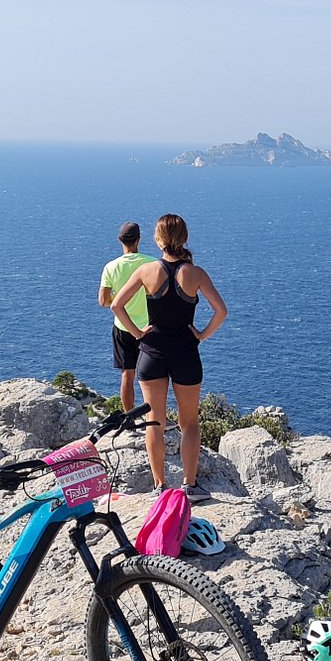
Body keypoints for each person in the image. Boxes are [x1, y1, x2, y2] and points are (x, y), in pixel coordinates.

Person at [111, 214, 227, 503]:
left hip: (151, 353)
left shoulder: (147, 271)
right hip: (186, 353)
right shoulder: (195, 273)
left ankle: (160, 486)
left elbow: (116, 304)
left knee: (155, 423)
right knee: (189, 423)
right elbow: (221, 311)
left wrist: (138, 333)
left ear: (158, 239)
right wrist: (201, 335)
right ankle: (190, 486)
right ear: (184, 237)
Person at [99, 222, 156, 412]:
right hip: (149, 327)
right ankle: (154, 418)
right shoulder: (152, 263)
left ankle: (129, 417)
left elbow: (104, 301)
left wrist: (121, 298)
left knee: (127, 375)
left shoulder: (110, 267)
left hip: (122, 326)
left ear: (119, 240)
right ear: (139, 239)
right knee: (152, 377)